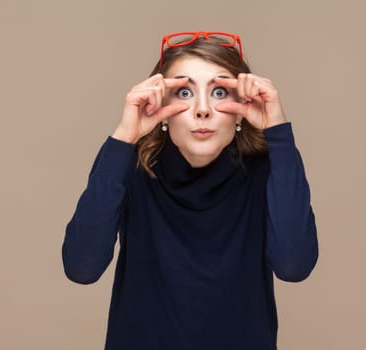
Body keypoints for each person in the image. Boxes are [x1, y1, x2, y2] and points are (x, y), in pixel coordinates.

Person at [62, 31, 319, 350]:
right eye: (183, 91)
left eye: (220, 91)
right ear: (160, 107)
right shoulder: (130, 167)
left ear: (241, 108)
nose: (202, 109)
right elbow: (81, 267)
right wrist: (124, 137)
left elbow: (294, 266)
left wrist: (278, 130)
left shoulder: (269, 170)